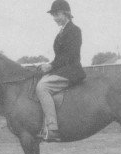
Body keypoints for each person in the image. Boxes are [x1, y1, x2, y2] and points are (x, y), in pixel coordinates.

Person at [36, 0, 86, 142]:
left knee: (42, 87)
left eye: (57, 14)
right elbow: (59, 57)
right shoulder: (61, 32)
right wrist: (47, 66)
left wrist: (50, 66)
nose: (55, 18)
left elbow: (69, 56)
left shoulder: (74, 30)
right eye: (53, 15)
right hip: (62, 70)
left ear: (66, 13)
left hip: (71, 71)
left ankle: (52, 129)